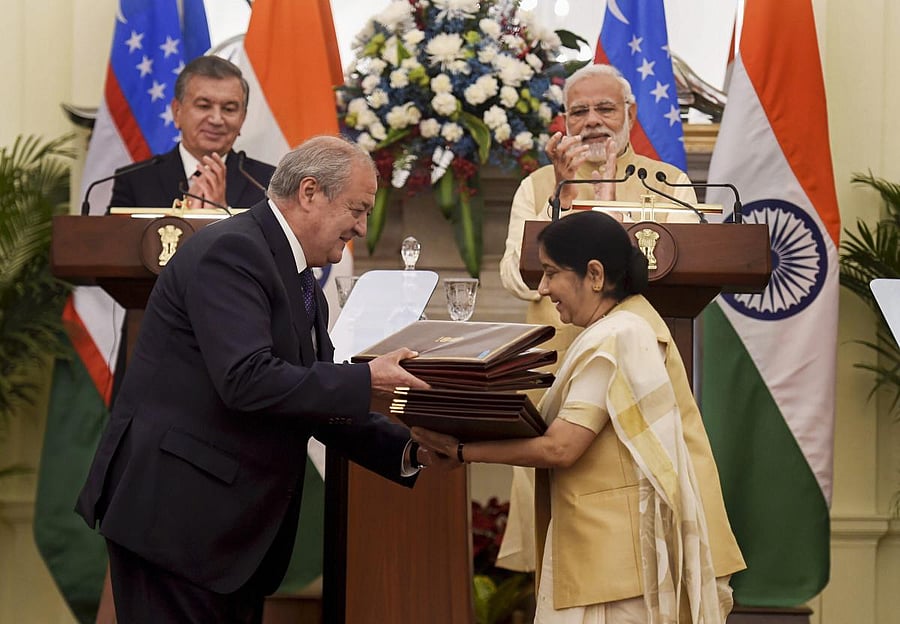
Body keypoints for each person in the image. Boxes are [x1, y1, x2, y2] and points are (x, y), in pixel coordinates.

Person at [76, 135, 453, 622]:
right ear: (311, 192)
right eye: (357, 209)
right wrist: (368, 383)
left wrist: (410, 448)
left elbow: (308, 392)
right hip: (175, 522)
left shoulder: (296, 275)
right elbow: (247, 379)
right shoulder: (233, 251)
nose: (361, 227)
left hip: (223, 536)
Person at [415, 211, 745, 623]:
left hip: (618, 565)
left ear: (593, 274)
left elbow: (562, 446)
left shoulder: (617, 335)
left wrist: (463, 450)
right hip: (613, 559)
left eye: (551, 272)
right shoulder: (629, 325)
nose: (543, 287)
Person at [496, 62, 701, 572]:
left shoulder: (668, 183)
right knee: (555, 527)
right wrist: (563, 195)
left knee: (641, 525)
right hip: (559, 366)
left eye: (605, 108)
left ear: (630, 114)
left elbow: (694, 271)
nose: (592, 121)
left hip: (642, 372)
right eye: (578, 111)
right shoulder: (538, 184)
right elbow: (517, 277)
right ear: (563, 120)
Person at [108, 55, 275, 210]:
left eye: (229, 109)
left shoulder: (269, 183)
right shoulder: (135, 181)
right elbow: (115, 241)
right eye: (204, 106)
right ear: (177, 112)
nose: (216, 119)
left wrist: (223, 215)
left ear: (242, 118)